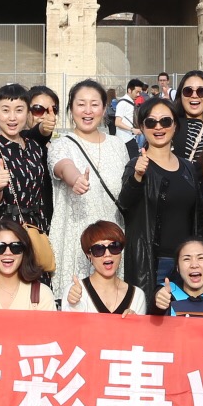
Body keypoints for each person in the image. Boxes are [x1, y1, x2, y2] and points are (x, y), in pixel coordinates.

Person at [49, 80, 131, 302]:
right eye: (81, 104)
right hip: (75, 243)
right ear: (71, 108)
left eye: (94, 104)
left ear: (104, 109)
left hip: (110, 246)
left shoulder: (118, 146)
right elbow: (63, 166)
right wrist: (75, 179)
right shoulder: (62, 144)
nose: (87, 111)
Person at [118, 95, 203, 286]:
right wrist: (137, 177)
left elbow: (198, 216)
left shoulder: (188, 167)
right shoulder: (136, 166)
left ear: (175, 125)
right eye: (151, 122)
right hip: (153, 264)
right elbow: (124, 205)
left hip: (187, 263)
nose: (159, 127)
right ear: (142, 127)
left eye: (165, 121)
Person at [0, 85, 52, 237]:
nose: (12, 117)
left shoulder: (34, 146)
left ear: (28, 113)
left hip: (37, 229)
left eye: (19, 110)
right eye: (5, 110)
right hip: (6, 231)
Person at [62, 221, 146, 314]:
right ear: (89, 255)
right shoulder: (74, 292)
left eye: (114, 247)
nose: (107, 254)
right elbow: (70, 327)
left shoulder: (137, 295)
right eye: (98, 249)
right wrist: (74, 305)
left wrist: (135, 324)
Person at [151, 238, 203, 321]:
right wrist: (158, 304)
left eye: (201, 258)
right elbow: (152, 321)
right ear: (177, 267)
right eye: (187, 259)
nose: (194, 265)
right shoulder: (165, 294)